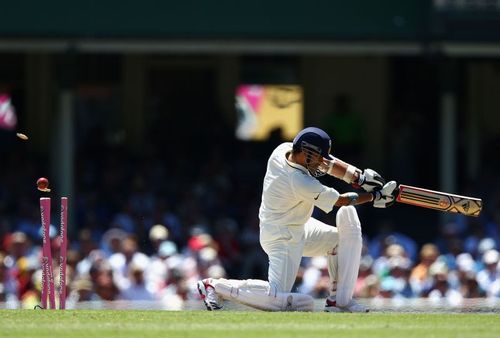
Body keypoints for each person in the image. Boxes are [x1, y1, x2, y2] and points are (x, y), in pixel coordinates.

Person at [197, 127, 397, 312]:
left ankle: (337, 300)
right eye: (318, 157)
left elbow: (330, 163)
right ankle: (214, 286)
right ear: (306, 152)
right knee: (278, 298)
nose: (321, 163)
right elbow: (340, 201)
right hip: (281, 237)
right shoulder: (299, 180)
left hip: (298, 226)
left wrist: (359, 178)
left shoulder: (283, 149)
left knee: (340, 242)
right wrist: (375, 197)